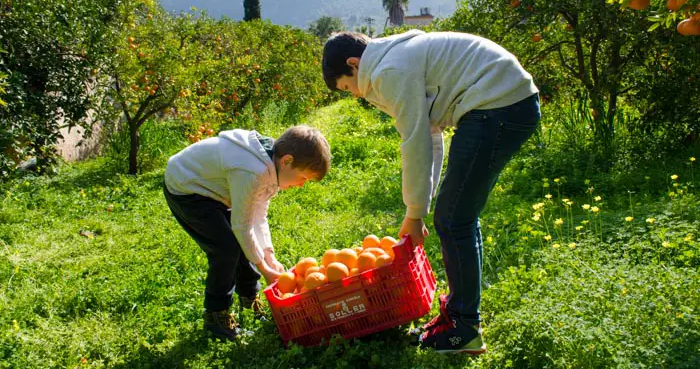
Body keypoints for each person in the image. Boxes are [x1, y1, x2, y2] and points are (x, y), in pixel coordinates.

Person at [321, 30, 540, 354]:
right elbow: (432, 135)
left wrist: (414, 214)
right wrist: (422, 205)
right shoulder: (393, 57)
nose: (353, 94)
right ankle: (458, 315)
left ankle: (464, 327)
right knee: (455, 214)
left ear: (354, 64)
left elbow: (415, 140)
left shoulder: (388, 71)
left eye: (346, 86)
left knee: (454, 219)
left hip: (497, 104)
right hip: (502, 101)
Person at [163, 125, 331, 341]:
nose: (301, 185)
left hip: (213, 190)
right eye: (303, 178)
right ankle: (216, 316)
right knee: (226, 249)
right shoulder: (253, 171)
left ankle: (249, 298)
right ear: (287, 161)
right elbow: (242, 226)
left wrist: (269, 255)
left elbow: (258, 214)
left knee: (242, 243)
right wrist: (264, 269)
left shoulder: (272, 166)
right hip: (186, 187)